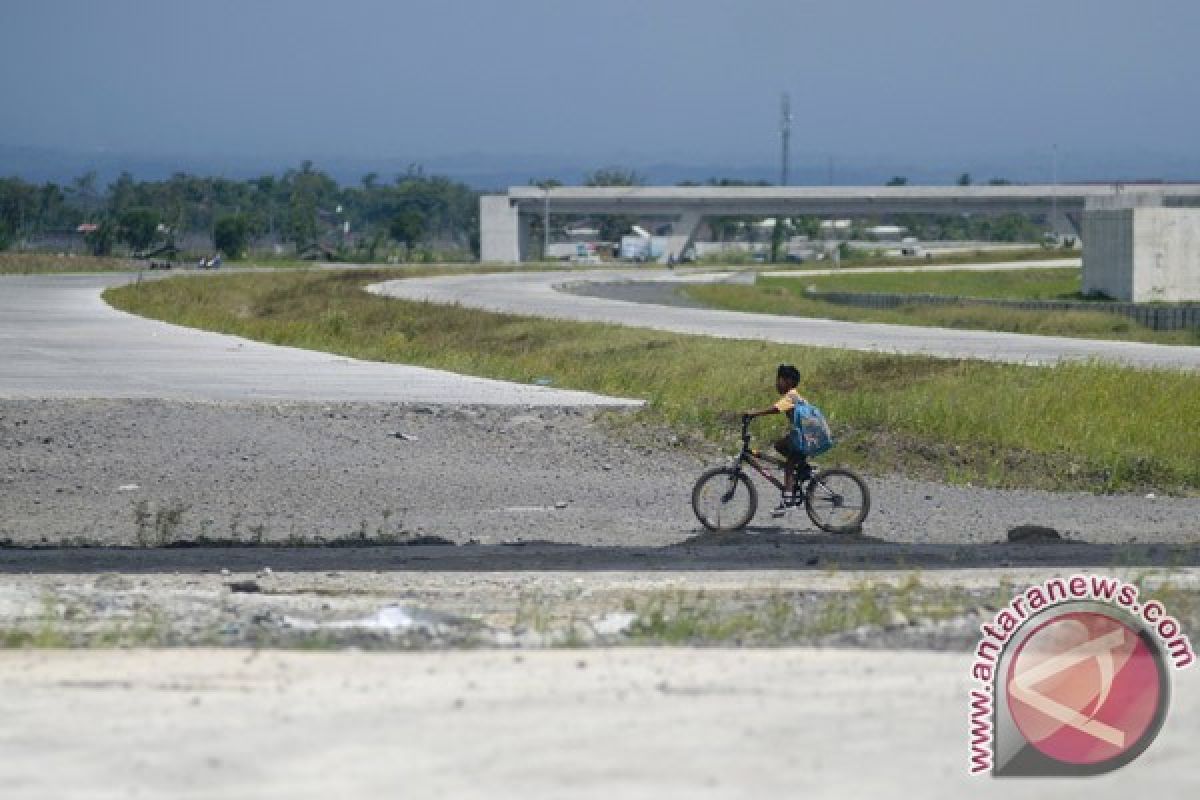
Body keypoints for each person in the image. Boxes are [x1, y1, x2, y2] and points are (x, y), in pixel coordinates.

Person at [743, 363, 814, 517]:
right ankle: (801, 468)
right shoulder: (793, 396)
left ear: (788, 381)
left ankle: (788, 500)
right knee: (780, 446)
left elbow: (776, 409)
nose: (776, 384)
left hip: (804, 438)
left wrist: (754, 414)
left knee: (789, 464)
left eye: (779, 380)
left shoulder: (792, 396)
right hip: (804, 437)